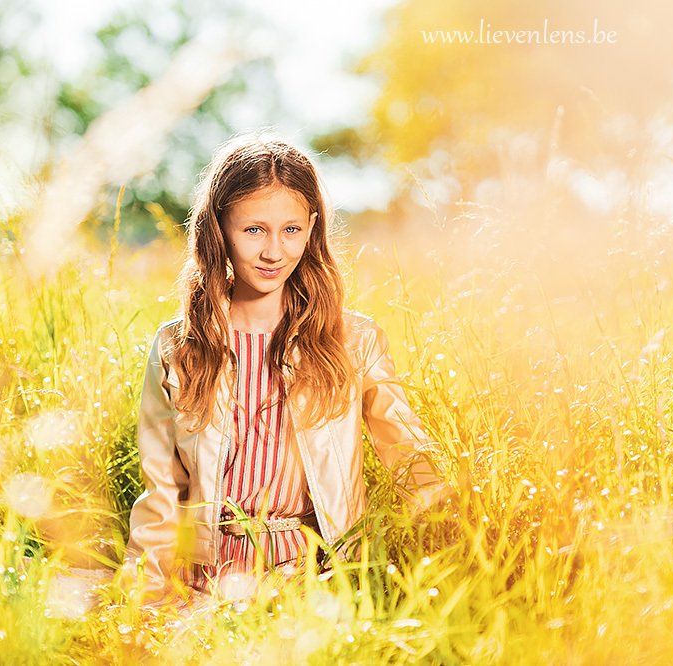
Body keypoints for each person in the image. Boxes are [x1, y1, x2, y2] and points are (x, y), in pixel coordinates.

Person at [117, 131, 451, 611]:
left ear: (312, 227)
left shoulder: (354, 341)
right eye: (254, 230)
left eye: (291, 230)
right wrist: (142, 604)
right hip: (205, 581)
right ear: (218, 228)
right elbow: (161, 492)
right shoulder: (179, 346)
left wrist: (458, 541)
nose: (274, 251)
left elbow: (411, 455)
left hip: (314, 580)